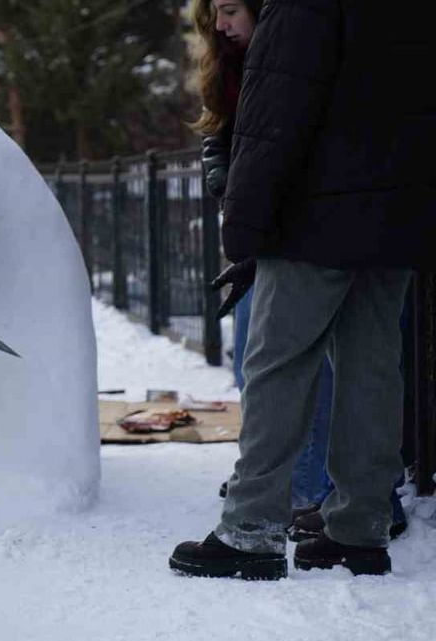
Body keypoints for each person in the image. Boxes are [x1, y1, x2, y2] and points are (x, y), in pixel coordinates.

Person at [170, 0, 435, 579]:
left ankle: (250, 530)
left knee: (276, 366)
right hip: (397, 216)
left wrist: (242, 228)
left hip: (315, 220)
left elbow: (274, 117)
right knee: (372, 368)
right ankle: (360, 529)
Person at [190, 0, 334, 511]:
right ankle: (272, 472)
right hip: (259, 225)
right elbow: (222, 132)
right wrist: (219, 171)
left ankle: (306, 484)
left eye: (230, 11)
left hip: (293, 229)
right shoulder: (231, 65)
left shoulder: (293, 52)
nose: (222, 25)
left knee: (299, 364)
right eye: (215, 15)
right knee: (253, 360)